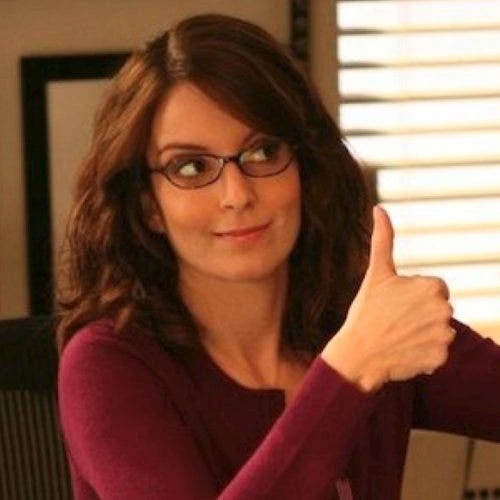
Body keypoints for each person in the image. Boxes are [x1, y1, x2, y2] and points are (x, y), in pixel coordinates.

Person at [56, 13, 500, 500]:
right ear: (149, 206)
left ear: (304, 168)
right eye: (192, 167)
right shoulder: (106, 366)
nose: (236, 195)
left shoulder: (360, 322)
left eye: (263, 152)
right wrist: (349, 371)